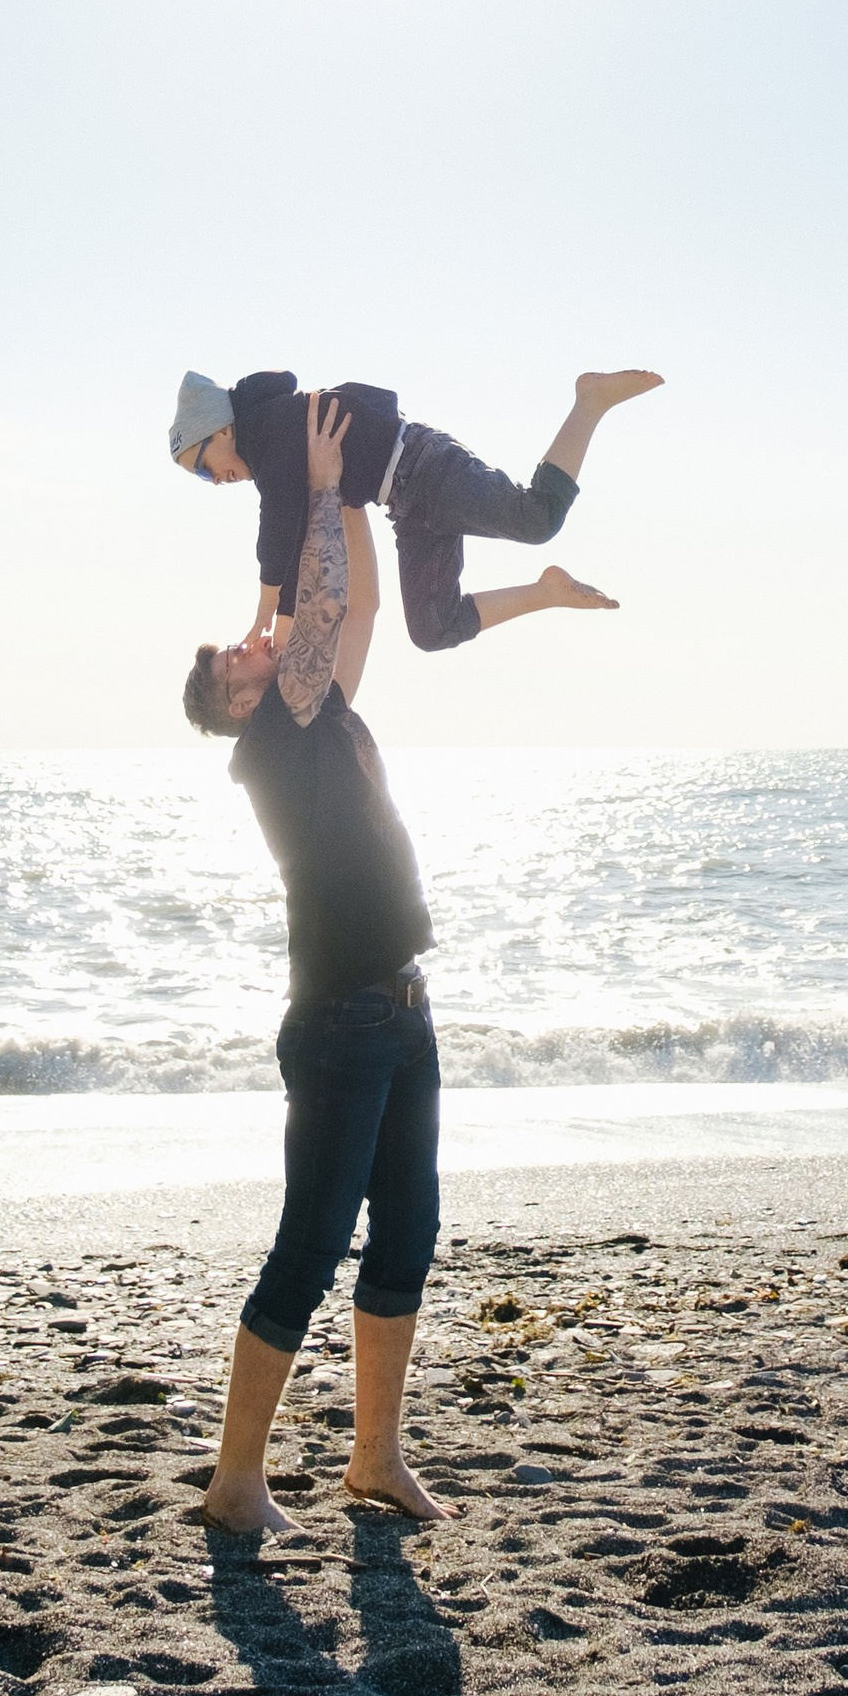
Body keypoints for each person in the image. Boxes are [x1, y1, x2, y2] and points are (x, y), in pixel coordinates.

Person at [188, 392, 451, 1534]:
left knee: (406, 1238)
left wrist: (356, 509)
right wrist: (329, 492)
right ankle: (236, 1482)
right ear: (239, 698)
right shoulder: (273, 735)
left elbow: (361, 610)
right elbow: (322, 599)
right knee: (308, 1247)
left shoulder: (319, 713)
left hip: (401, 1004)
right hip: (340, 1020)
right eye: (237, 653)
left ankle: (374, 1462)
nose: (256, 638)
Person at [171, 362, 660, 666]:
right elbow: (297, 533)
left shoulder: (266, 432)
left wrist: (271, 612)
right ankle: (548, 591)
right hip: (407, 507)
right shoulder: (272, 451)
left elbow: (277, 532)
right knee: (430, 630)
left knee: (538, 518)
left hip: (424, 467)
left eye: (201, 468)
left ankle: (589, 402)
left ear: (221, 431)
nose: (214, 481)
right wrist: (284, 615)